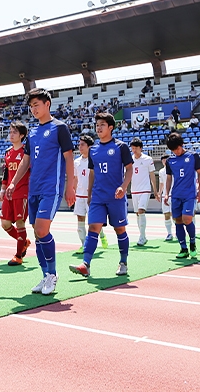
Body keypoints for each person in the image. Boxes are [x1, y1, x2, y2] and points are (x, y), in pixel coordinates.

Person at [6, 88, 76, 295]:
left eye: (37, 104)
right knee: (37, 235)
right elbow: (26, 161)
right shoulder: (33, 132)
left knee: (42, 230)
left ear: (47, 104)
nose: (33, 109)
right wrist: (13, 183)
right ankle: (45, 275)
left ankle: (53, 275)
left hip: (51, 188)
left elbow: (69, 158)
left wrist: (69, 186)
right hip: (33, 189)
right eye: (31, 106)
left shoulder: (60, 128)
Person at [69, 112, 133, 278]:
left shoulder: (121, 147)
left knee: (120, 229)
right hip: (97, 196)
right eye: (97, 125)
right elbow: (92, 173)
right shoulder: (94, 150)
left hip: (115, 196)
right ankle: (85, 264)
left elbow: (129, 169)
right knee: (93, 228)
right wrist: (90, 194)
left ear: (110, 127)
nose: (98, 128)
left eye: (102, 125)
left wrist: (123, 186)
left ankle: (123, 262)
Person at [164, 133, 200, 259]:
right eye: (173, 150)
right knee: (178, 221)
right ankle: (183, 248)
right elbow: (169, 179)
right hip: (176, 195)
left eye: (177, 148)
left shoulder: (193, 156)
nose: (176, 152)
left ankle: (192, 243)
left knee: (187, 219)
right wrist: (166, 193)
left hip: (189, 194)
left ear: (181, 145)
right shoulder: (170, 161)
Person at [0, 121, 31, 266]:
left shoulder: (26, 152)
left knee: (20, 222)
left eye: (14, 132)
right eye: (10, 132)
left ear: (22, 135)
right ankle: (24, 241)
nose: (11, 134)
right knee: (5, 223)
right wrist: (2, 190)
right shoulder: (8, 152)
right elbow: (6, 174)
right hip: (9, 193)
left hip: (22, 191)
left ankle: (18, 256)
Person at [72, 135, 109, 253]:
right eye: (79, 144)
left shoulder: (95, 160)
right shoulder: (76, 161)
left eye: (82, 144)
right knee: (80, 219)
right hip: (79, 195)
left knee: (94, 221)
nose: (80, 147)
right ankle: (84, 244)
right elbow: (75, 178)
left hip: (92, 196)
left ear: (89, 146)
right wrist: (73, 191)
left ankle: (102, 236)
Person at [129, 138, 156, 246]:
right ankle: (143, 236)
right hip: (134, 190)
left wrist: (156, 191)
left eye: (135, 148)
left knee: (141, 211)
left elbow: (152, 175)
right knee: (137, 214)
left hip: (145, 189)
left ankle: (141, 236)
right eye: (132, 148)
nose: (134, 150)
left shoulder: (147, 159)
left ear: (140, 148)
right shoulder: (130, 160)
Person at [156, 155, 174, 241]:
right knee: (166, 214)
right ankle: (169, 233)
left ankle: (178, 232)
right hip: (165, 195)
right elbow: (161, 183)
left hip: (173, 194)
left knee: (174, 215)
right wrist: (159, 193)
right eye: (163, 160)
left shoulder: (174, 168)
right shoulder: (161, 171)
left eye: (166, 160)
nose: (165, 161)